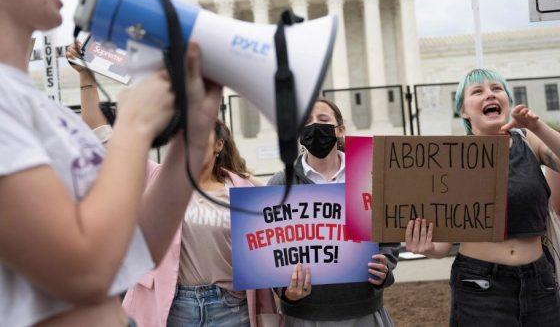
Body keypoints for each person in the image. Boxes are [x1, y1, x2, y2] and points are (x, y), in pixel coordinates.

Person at [0, 0, 222, 326]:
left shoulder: (41, 110)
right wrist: (134, 125)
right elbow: (83, 271)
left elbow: (135, 251)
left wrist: (194, 137)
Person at [406, 68, 560, 326]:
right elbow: (443, 245)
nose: (490, 94)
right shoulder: (451, 158)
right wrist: (427, 247)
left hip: (539, 284)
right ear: (464, 111)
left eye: (497, 89)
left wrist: (536, 126)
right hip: (480, 287)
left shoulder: (529, 141)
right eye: (477, 91)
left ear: (507, 101)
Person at [122, 119, 279, 327]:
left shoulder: (240, 190)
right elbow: (111, 145)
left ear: (219, 145)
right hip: (176, 308)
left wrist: (244, 177)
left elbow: (279, 209)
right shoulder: (161, 179)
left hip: (231, 309)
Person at [267, 97, 399, 327]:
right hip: (304, 316)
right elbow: (268, 252)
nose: (315, 125)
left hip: (364, 311)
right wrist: (286, 292)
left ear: (340, 130)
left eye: (323, 119)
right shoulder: (280, 184)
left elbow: (389, 237)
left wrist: (384, 267)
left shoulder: (369, 175)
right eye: (307, 121)